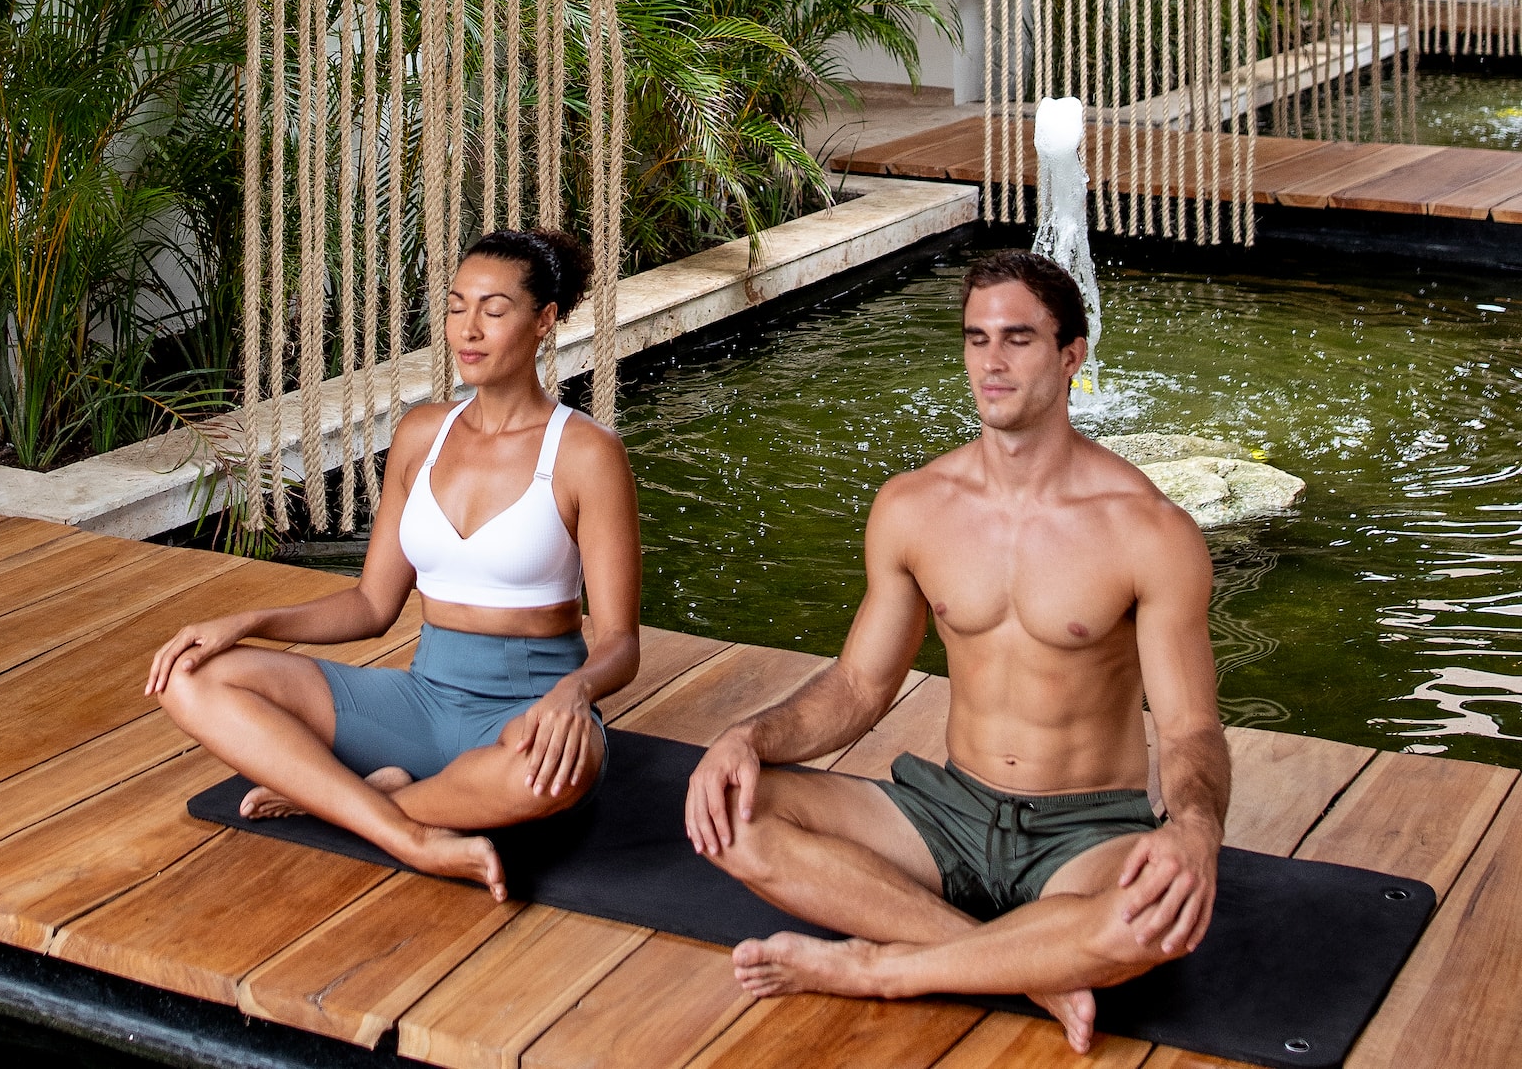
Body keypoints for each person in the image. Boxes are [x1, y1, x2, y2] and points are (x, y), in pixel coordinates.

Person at [683, 250, 1228, 1055]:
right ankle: (1026, 967)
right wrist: (746, 739)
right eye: (977, 340)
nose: (993, 362)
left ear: (1072, 354)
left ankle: (882, 967)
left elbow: (1190, 730)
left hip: (1086, 834)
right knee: (732, 813)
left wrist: (1194, 832)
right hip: (946, 811)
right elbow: (861, 686)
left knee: (1154, 921)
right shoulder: (913, 507)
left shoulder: (1148, 531)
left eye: (1018, 339)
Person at [148, 229, 642, 901]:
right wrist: (246, 621)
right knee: (191, 679)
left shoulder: (587, 452)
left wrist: (572, 695)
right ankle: (405, 829)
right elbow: (372, 606)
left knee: (559, 771)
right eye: (456, 306)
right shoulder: (421, 435)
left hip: (528, 712)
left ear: (544, 320)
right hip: (419, 701)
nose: (468, 329)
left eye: (494, 311)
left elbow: (620, 642)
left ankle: (348, 801)